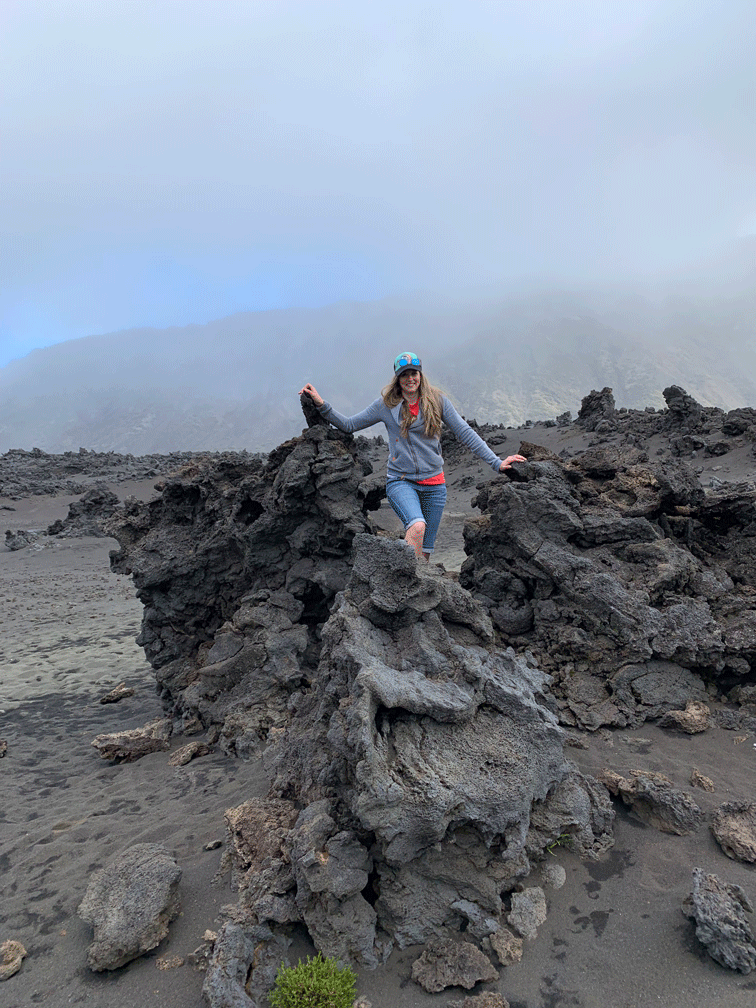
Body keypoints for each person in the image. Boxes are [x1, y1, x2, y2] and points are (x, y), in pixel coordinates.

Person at [299, 351, 526, 561]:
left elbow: (465, 433)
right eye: (404, 374)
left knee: (424, 555)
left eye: (414, 373)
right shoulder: (386, 405)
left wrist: (497, 463)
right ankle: (399, 582)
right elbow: (349, 425)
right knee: (417, 527)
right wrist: (321, 404)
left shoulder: (437, 401)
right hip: (401, 481)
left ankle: (412, 594)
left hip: (435, 486)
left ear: (420, 375)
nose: (410, 379)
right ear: (397, 378)